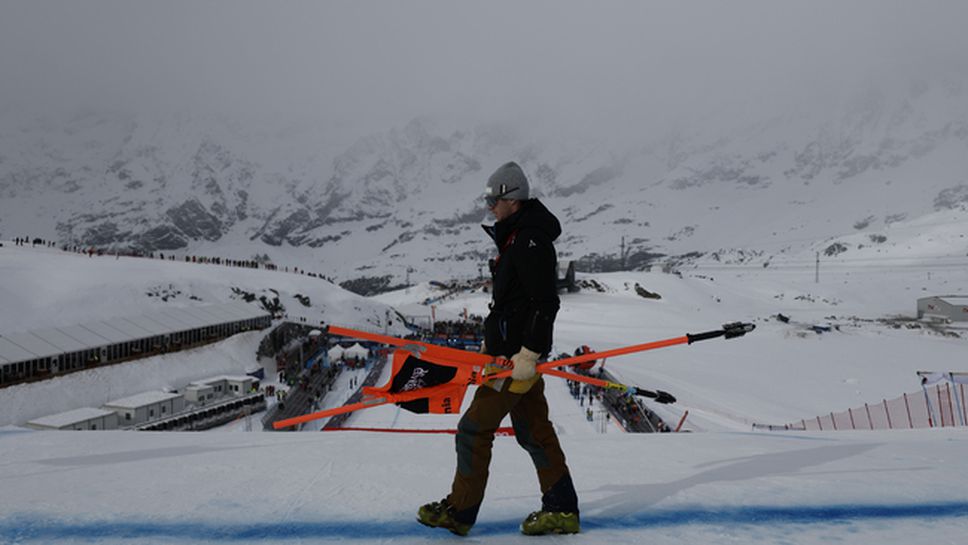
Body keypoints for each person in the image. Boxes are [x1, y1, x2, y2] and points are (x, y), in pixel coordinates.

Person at [417, 162, 580, 536]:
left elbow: (544, 302)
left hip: (515, 362)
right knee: (534, 430)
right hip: (506, 356)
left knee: (473, 429)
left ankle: (459, 512)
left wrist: (528, 353)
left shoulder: (529, 241)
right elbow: (513, 302)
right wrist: (493, 341)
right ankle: (562, 508)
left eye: (493, 199)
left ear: (512, 199)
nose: (489, 206)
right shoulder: (516, 237)